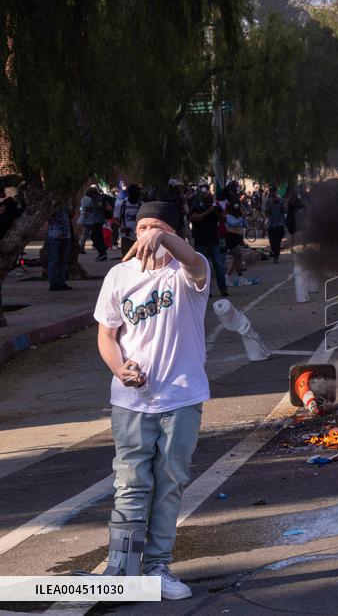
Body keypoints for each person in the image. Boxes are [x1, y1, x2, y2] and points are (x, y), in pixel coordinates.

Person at [93, 201, 209, 599]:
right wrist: (120, 369)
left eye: (156, 227)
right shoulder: (119, 275)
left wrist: (166, 238)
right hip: (131, 401)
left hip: (181, 395)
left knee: (170, 481)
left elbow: (192, 260)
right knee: (130, 481)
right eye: (141, 225)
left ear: (173, 232)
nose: (146, 233)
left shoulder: (188, 272)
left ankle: (157, 566)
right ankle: (121, 569)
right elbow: (107, 335)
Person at [189, 183, 228, 296]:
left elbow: (224, 219)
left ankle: (223, 289)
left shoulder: (214, 206)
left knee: (219, 266)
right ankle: (206, 291)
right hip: (201, 242)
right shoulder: (196, 204)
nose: (207, 196)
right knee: (203, 268)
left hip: (214, 241)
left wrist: (215, 212)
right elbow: (194, 218)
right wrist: (207, 212)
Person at [46, 206, 72, 291]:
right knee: (54, 260)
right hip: (54, 236)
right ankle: (53, 283)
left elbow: (70, 216)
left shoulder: (66, 207)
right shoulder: (51, 205)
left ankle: (62, 282)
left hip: (66, 235)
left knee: (63, 260)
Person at [82, 186, 110, 261]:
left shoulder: (97, 199)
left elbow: (101, 206)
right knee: (97, 236)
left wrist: (99, 205)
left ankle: (102, 252)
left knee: (94, 236)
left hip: (98, 221)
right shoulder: (95, 199)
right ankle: (102, 253)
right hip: (96, 220)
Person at [224, 202, 248, 284]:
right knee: (238, 256)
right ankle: (240, 277)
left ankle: (227, 277)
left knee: (235, 259)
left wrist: (244, 218)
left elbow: (246, 225)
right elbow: (233, 224)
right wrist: (241, 218)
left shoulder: (239, 217)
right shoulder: (228, 217)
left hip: (238, 238)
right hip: (231, 238)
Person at [263, 186, 285, 263]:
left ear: (276, 192)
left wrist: (280, 203)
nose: (272, 193)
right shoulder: (267, 201)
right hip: (270, 224)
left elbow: (284, 210)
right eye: (271, 192)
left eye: (274, 191)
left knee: (277, 241)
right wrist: (271, 203)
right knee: (272, 242)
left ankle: (276, 256)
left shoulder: (280, 200)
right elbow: (266, 212)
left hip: (279, 224)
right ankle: (275, 254)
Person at [118, 184, 143, 255]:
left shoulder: (142, 205)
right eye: (136, 192)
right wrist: (122, 227)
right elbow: (115, 219)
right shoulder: (121, 204)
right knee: (127, 256)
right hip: (126, 236)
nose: (138, 194)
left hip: (139, 236)